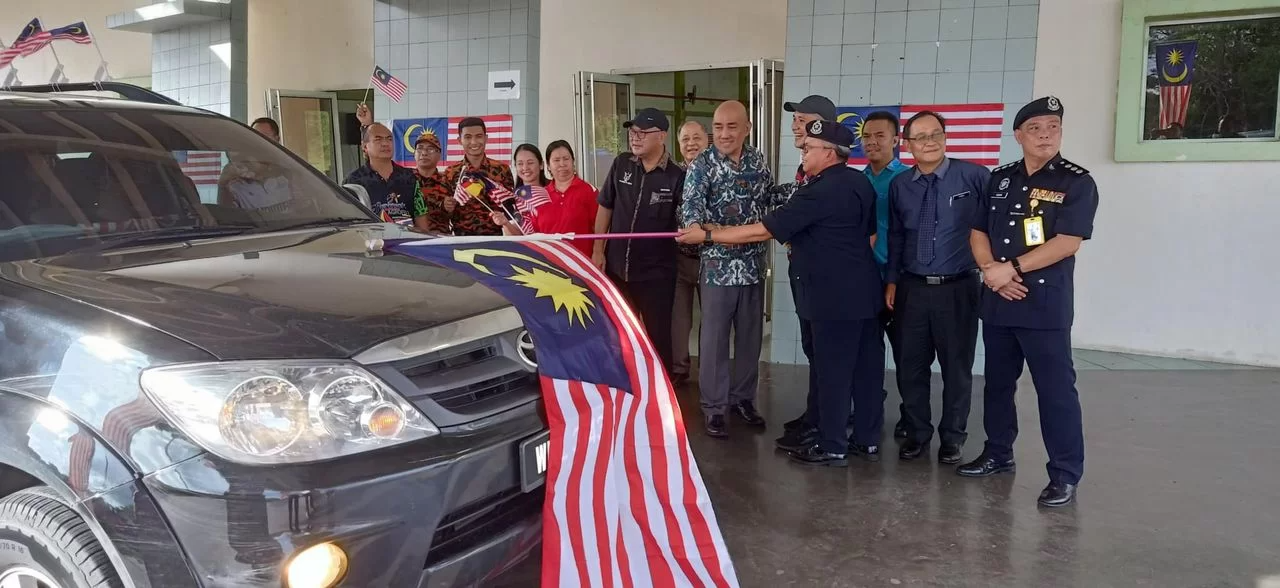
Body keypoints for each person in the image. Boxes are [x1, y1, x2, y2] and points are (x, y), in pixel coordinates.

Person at [678, 119, 883, 465]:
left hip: (832, 298)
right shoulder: (859, 183)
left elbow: (764, 230)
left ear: (830, 154)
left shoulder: (819, 191)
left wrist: (709, 236)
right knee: (865, 370)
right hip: (862, 293)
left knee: (831, 373)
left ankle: (832, 445)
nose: (802, 152)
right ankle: (867, 440)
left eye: (808, 148)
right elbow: (868, 235)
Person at [957, 96, 1100, 508]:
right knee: (998, 385)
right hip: (1000, 299)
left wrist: (1010, 268)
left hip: (1043, 304)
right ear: (1018, 135)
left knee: (1055, 391)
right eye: (1035, 128)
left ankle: (1065, 473)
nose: (1045, 135)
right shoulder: (1000, 178)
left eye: (1053, 127)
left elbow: (1068, 242)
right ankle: (998, 453)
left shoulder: (1076, 182)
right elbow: (978, 231)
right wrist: (989, 270)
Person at [885, 111, 990, 464]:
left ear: (945, 137)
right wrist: (892, 281)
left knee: (956, 367)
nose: (929, 142)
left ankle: (953, 437)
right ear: (908, 144)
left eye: (936, 134)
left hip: (958, 287)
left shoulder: (974, 176)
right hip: (912, 289)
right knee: (909, 366)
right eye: (920, 137)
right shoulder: (901, 185)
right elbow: (896, 236)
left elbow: (992, 227)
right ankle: (916, 433)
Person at [680, 101, 774, 438]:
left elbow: (768, 204)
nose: (723, 134)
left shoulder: (757, 160)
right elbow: (689, 212)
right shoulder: (702, 166)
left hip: (752, 265)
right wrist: (698, 226)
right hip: (718, 270)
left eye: (731, 127)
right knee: (715, 340)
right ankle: (715, 408)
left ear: (746, 128)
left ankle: (743, 400)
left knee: (751, 340)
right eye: (717, 127)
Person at [593, 107, 685, 371]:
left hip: (656, 274)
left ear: (662, 136)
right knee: (619, 332)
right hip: (617, 269)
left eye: (643, 133)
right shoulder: (622, 163)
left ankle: (660, 392)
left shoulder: (676, 177)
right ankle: (625, 387)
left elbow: (683, 223)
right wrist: (598, 251)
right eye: (633, 132)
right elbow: (605, 206)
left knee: (657, 337)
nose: (635, 137)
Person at [858, 110, 912, 441]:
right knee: (867, 351)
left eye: (880, 136)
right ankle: (868, 407)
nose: (873, 142)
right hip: (864, 279)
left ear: (895, 140)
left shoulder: (907, 178)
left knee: (907, 352)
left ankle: (912, 416)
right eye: (867, 136)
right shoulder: (857, 179)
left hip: (902, 279)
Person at [491, 140, 598, 259]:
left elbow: (600, 229)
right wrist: (505, 223)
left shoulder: (588, 191)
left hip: (582, 263)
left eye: (566, 159)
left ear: (573, 161)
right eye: (556, 160)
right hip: (547, 264)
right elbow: (529, 235)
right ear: (548, 165)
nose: (562, 164)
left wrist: (598, 254)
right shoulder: (540, 195)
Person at [673, 120, 710, 385]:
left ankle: (710, 372)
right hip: (679, 259)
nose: (691, 144)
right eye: (685, 139)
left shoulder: (718, 172)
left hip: (712, 259)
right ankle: (679, 369)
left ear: (707, 140)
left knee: (712, 322)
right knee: (678, 319)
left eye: (696, 138)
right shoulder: (673, 175)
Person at [345, 105, 420, 224]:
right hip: (373, 241)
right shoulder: (354, 181)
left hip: (406, 240)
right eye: (378, 139)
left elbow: (420, 214)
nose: (385, 143)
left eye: (389, 139)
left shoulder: (409, 176)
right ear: (365, 147)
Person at [441, 117, 514, 236]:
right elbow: (444, 213)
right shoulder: (451, 172)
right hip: (462, 239)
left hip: (496, 238)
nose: (474, 142)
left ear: (486, 138)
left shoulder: (502, 169)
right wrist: (446, 207)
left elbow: (511, 208)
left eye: (479, 136)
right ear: (460, 140)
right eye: (468, 137)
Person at [410, 131, 451, 233]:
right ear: (414, 153)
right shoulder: (405, 179)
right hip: (410, 238)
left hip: (440, 239)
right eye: (420, 148)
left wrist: (450, 208)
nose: (424, 153)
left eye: (430, 149)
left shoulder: (448, 182)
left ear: (439, 155)